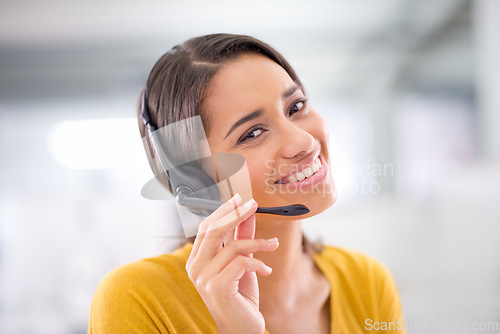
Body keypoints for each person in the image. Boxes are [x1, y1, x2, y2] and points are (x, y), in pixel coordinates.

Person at [88, 33, 406, 334]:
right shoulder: (137, 298)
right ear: (195, 181)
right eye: (252, 133)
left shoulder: (367, 280)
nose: (305, 141)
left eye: (296, 107)